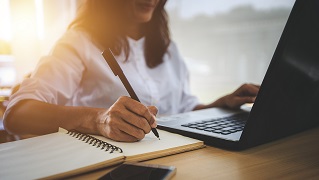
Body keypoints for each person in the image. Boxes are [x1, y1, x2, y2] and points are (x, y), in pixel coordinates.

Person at [3, 0, 259, 142]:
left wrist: (222, 104)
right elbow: (17, 113)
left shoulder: (168, 49)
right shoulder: (78, 42)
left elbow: (182, 108)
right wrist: (99, 119)